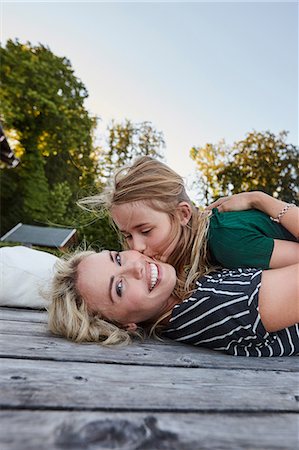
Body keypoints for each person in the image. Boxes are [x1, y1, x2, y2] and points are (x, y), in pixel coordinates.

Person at [78, 156, 298, 299]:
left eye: (145, 231)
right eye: (127, 236)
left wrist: (260, 199)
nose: (136, 247)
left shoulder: (225, 239)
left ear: (183, 214)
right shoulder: (200, 250)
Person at [47, 248, 299, 356]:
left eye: (118, 259)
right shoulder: (221, 304)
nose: (136, 266)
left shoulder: (182, 301)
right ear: (125, 326)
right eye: (120, 287)